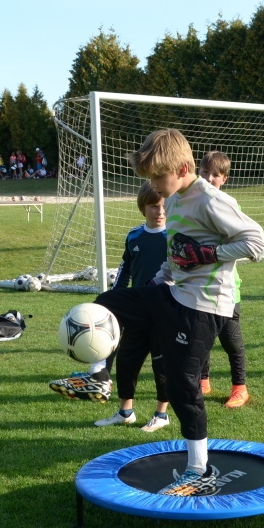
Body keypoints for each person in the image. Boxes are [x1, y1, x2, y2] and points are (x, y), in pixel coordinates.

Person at [49, 129, 264, 493]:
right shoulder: (177, 198)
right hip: (175, 294)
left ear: (182, 167)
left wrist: (209, 254)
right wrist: (162, 276)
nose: (153, 185)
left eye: (157, 176)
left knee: (183, 387)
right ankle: (99, 377)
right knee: (107, 302)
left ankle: (200, 469)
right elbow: (178, 253)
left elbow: (256, 242)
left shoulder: (210, 200)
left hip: (205, 307)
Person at [93, 181, 173, 433]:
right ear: (143, 208)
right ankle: (125, 411)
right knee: (127, 360)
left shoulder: (173, 236)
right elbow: (125, 269)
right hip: (137, 311)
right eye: (153, 206)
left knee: (162, 364)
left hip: (164, 310)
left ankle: (161, 414)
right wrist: (117, 298)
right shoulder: (134, 236)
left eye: (163, 206)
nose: (159, 212)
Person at [198, 151, 250, 408]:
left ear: (224, 179)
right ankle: (203, 381)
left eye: (215, 175)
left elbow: (245, 242)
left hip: (227, 289)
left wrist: (212, 253)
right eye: (204, 172)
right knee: (203, 338)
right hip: (200, 288)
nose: (208, 179)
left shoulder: (229, 205)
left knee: (231, 342)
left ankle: (240, 388)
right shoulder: (192, 203)